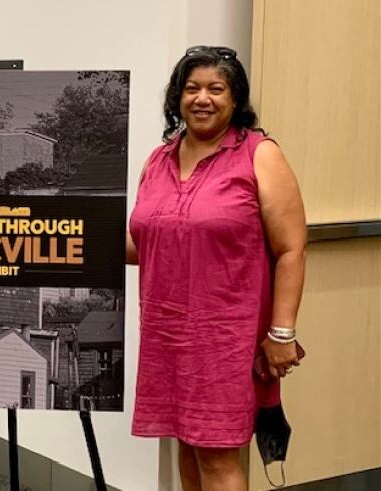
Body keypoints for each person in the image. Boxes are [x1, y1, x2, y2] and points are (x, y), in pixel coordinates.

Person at [127, 46, 306, 491]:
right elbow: (140, 244)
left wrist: (282, 333)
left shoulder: (258, 155)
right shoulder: (158, 159)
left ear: (235, 99)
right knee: (186, 448)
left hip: (227, 338)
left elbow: (291, 250)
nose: (201, 98)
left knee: (217, 455)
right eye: (191, 88)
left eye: (215, 88)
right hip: (167, 333)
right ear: (177, 97)